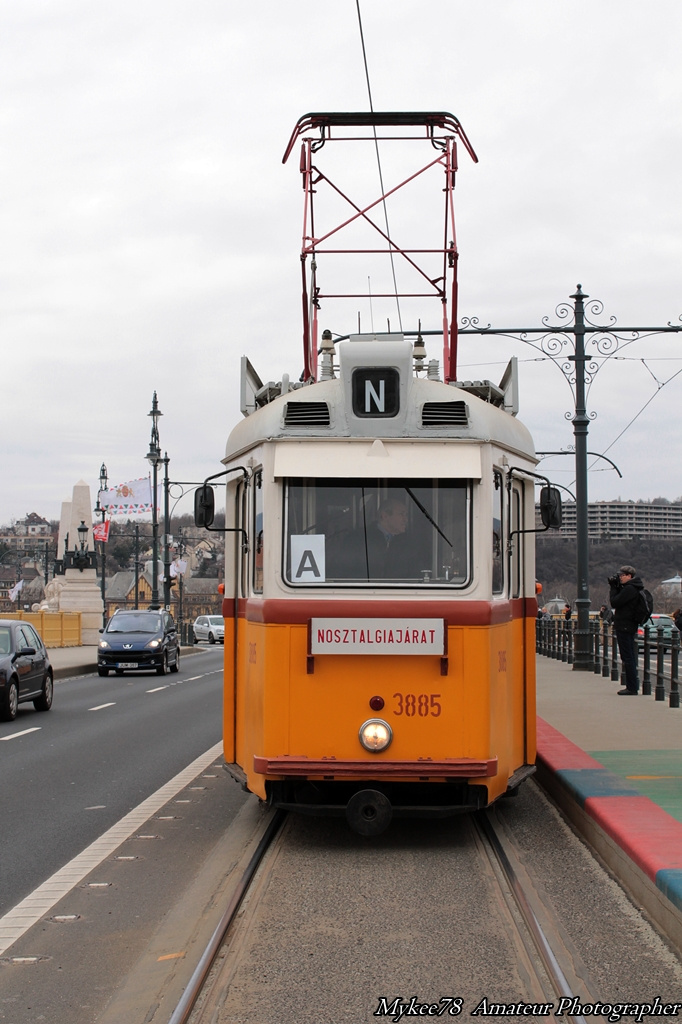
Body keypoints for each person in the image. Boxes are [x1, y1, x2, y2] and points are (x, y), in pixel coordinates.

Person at [609, 565, 643, 695]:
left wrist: (613, 588)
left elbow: (615, 602)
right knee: (629, 656)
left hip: (625, 624)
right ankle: (632, 685)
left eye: (622, 575)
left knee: (627, 656)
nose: (620, 578)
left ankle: (632, 687)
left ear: (629, 576)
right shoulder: (634, 587)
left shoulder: (630, 589)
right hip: (628, 624)